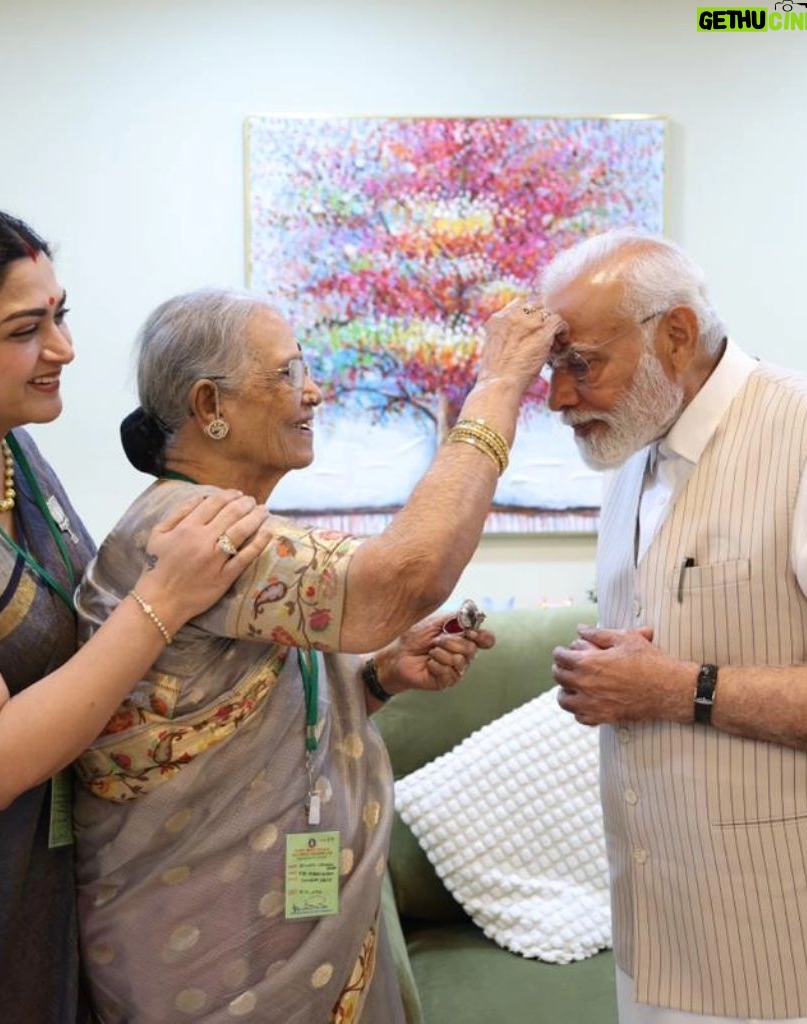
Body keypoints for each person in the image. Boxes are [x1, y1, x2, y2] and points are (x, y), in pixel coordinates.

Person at [0, 206, 271, 1023]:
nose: (62, 349)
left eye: (59, 315)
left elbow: (87, 632)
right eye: (26, 329)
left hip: (40, 891)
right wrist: (164, 599)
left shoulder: (4, 446)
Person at [72, 288, 562, 1023]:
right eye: (289, 372)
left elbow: (231, 711)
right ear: (211, 403)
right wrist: (496, 389)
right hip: (213, 955)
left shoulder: (224, 520)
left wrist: (377, 681)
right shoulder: (196, 528)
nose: (315, 391)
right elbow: (401, 583)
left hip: (286, 931)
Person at [542, 229, 807, 1024]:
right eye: (552, 367)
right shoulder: (633, 456)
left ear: (675, 335)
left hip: (796, 955)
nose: (558, 398)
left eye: (580, 364)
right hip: (658, 935)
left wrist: (678, 689)